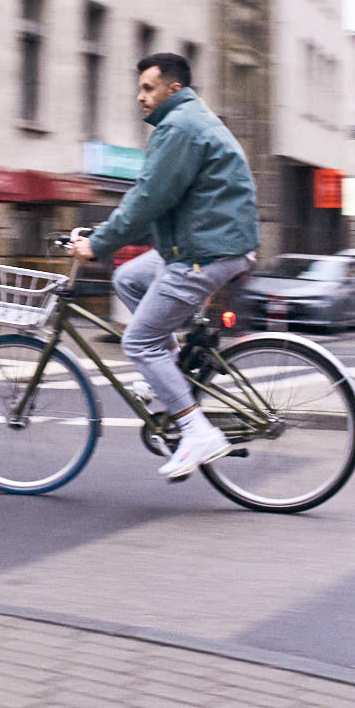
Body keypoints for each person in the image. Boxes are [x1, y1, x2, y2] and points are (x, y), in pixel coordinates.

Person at [70, 52, 259, 479]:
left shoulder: (179, 128)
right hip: (203, 242)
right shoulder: (189, 121)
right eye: (139, 88)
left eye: (148, 88)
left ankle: (197, 433)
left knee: (138, 342)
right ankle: (171, 371)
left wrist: (96, 243)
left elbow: (148, 199)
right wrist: (103, 234)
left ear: (174, 88)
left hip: (205, 251)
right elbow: (153, 201)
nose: (140, 97)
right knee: (128, 279)